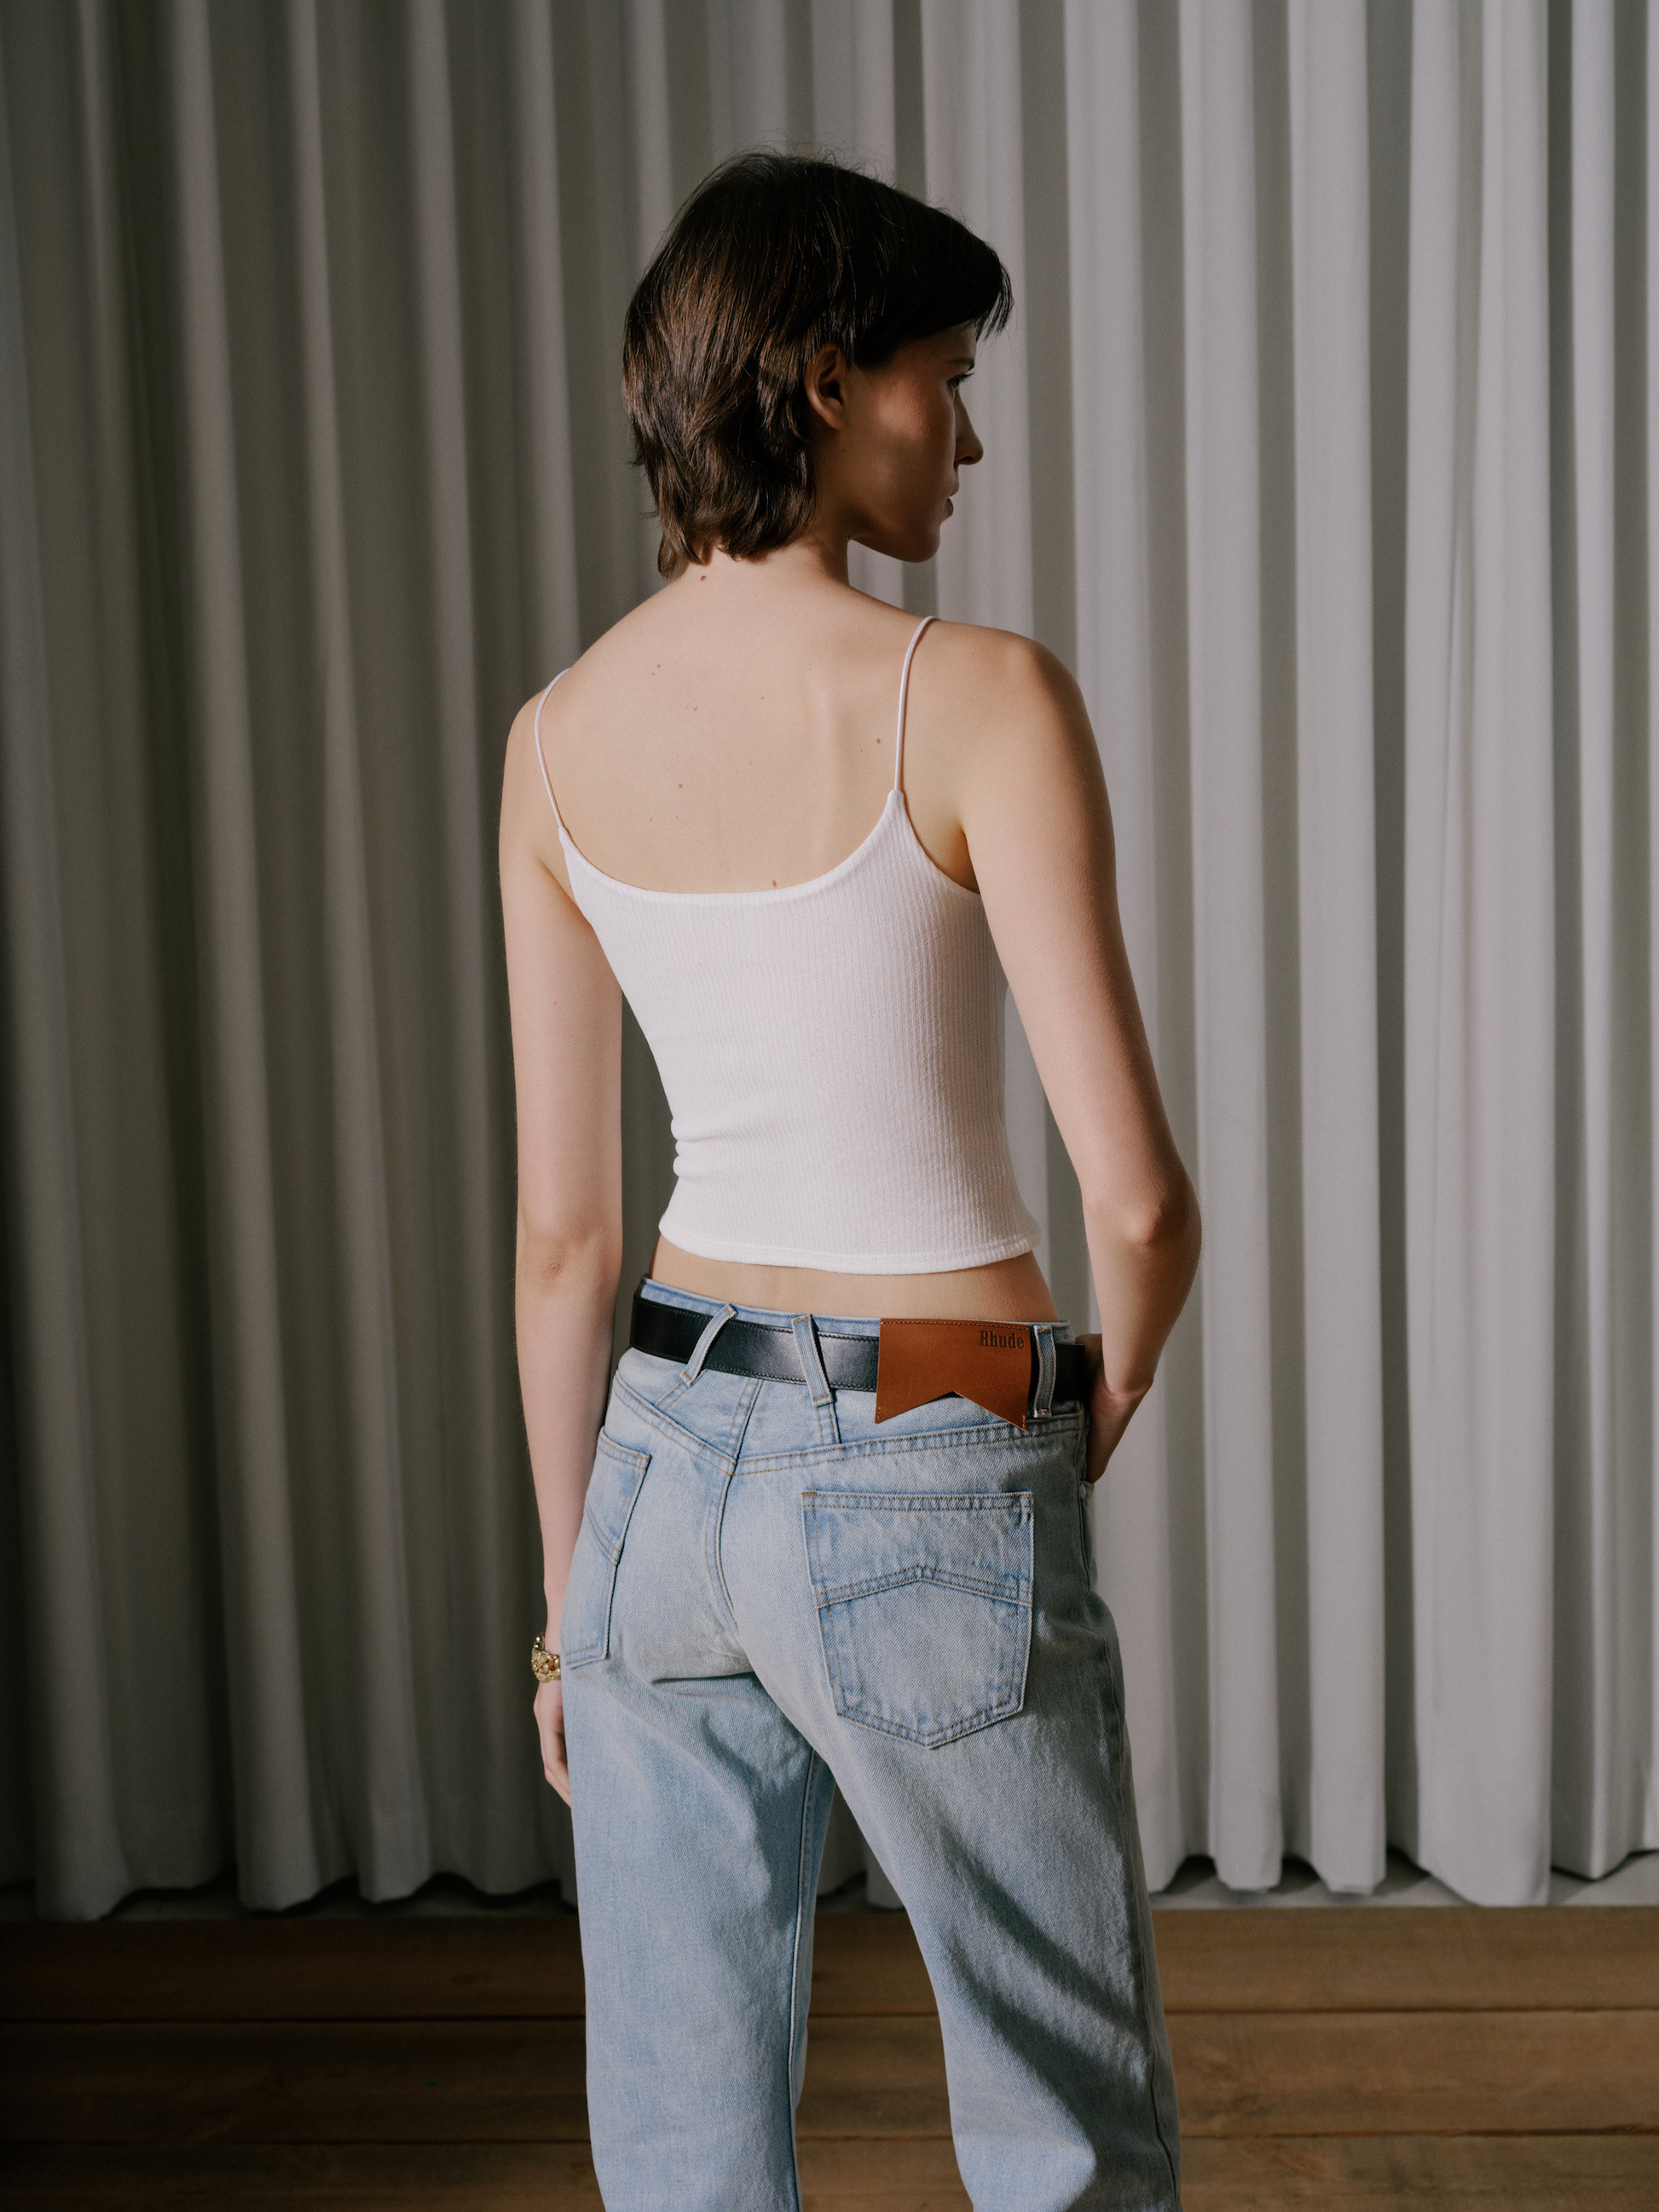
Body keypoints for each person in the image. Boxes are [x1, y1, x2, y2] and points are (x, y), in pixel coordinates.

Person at [499, 151, 1199, 2212]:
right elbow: (1140, 1207)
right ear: (823, 383)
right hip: (925, 1425)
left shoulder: (554, 735)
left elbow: (563, 1239)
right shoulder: (975, 694)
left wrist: (567, 1618)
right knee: (1062, 2130)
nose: (964, 439)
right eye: (943, 380)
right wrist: (1091, 1396)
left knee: (683, 2152)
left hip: (652, 1481)